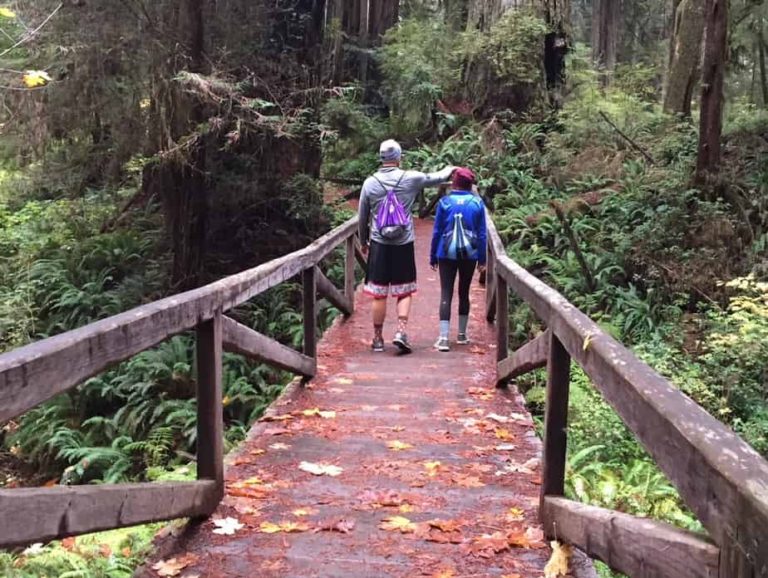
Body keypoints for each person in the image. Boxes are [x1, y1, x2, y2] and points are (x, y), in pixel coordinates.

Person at [358, 139, 455, 353]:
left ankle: (377, 338)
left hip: (379, 244)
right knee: (404, 291)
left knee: (379, 293)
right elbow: (437, 177)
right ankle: (401, 331)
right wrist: (452, 168)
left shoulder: (369, 183)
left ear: (381, 158)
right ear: (399, 157)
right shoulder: (411, 178)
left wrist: (363, 241)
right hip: (403, 243)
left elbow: (362, 216)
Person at [429, 167, 487, 352]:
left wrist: (432, 256)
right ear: (471, 185)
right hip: (469, 254)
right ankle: (462, 335)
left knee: (446, 292)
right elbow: (482, 234)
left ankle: (444, 338)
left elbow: (437, 231)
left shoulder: (444, 202)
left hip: (446, 252)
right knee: (464, 290)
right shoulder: (477, 203)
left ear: (454, 183)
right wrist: (482, 259)